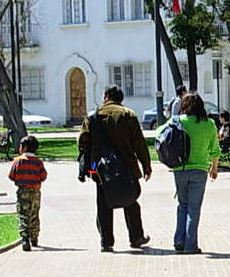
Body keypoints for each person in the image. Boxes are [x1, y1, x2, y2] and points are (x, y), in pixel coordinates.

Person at [78, 85, 152, 252]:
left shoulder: (93, 117)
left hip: (101, 168)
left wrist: (91, 167)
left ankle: (106, 242)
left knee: (103, 204)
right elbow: (139, 143)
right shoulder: (128, 115)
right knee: (131, 201)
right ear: (120, 99)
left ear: (105, 97)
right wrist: (146, 166)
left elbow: (83, 142)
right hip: (127, 166)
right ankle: (136, 237)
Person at [156, 92, 219, 254]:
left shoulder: (177, 120)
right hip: (199, 170)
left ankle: (179, 240)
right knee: (194, 208)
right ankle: (191, 245)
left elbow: (159, 133)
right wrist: (214, 167)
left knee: (182, 205)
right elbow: (214, 150)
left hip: (180, 169)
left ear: (184, 106)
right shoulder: (209, 124)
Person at [8, 135, 47, 252]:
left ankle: (25, 238)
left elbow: (11, 175)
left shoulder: (18, 161)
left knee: (23, 214)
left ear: (24, 148)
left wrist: (19, 179)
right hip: (35, 191)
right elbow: (43, 176)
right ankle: (34, 238)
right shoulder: (38, 162)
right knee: (34, 213)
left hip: (23, 190)